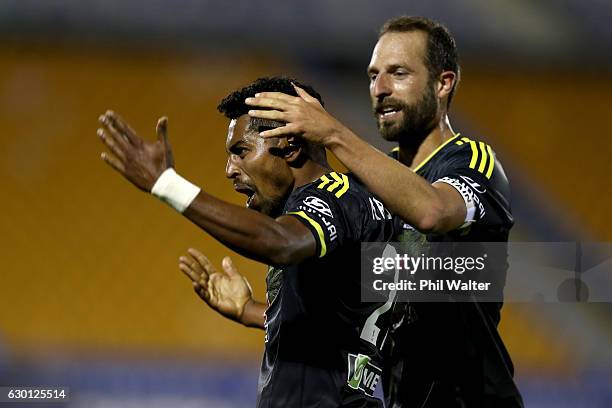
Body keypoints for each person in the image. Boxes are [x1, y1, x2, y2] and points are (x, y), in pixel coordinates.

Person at [244, 16, 523, 408]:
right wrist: (252, 312)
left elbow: (431, 210)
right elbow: (359, 315)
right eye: (373, 75)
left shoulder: (473, 162)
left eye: (399, 73)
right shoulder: (365, 187)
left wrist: (333, 133)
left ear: (444, 83)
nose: (380, 89)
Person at [97, 76, 400, 407]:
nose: (230, 169)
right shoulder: (355, 205)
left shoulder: (332, 199)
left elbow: (282, 243)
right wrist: (252, 311)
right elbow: (342, 317)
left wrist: (167, 185)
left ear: (290, 145)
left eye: (241, 151)